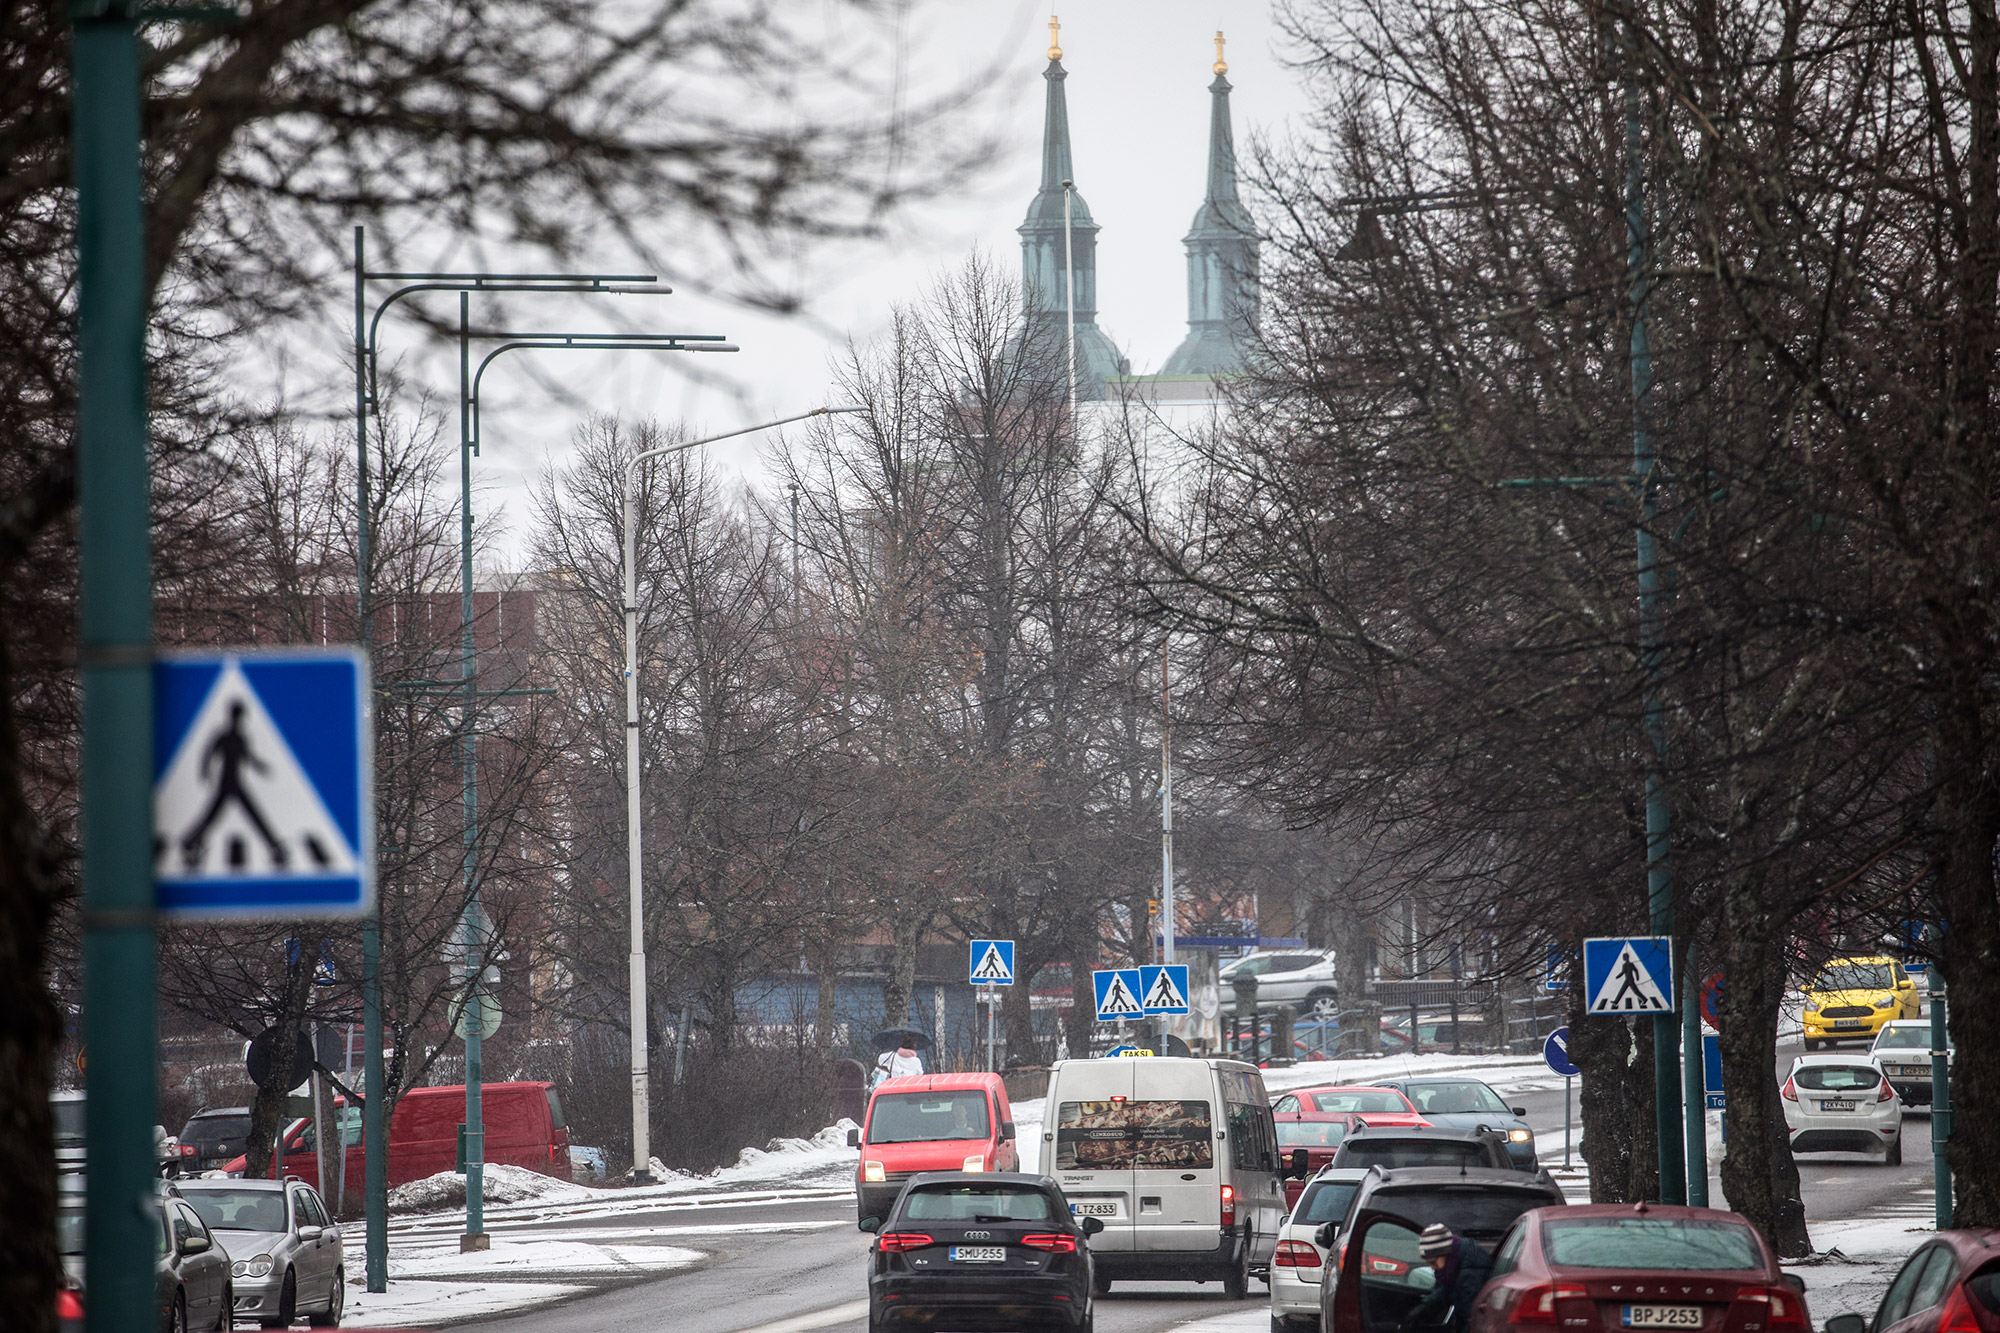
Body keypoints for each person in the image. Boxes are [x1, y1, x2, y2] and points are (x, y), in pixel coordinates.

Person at [1398, 1222, 1492, 1333]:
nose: (1432, 1268)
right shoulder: (1457, 1264)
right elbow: (1447, 1290)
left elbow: (1471, 1321)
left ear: (1445, 1252)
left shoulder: (1471, 1274)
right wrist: (1423, 1307)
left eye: (1433, 1262)